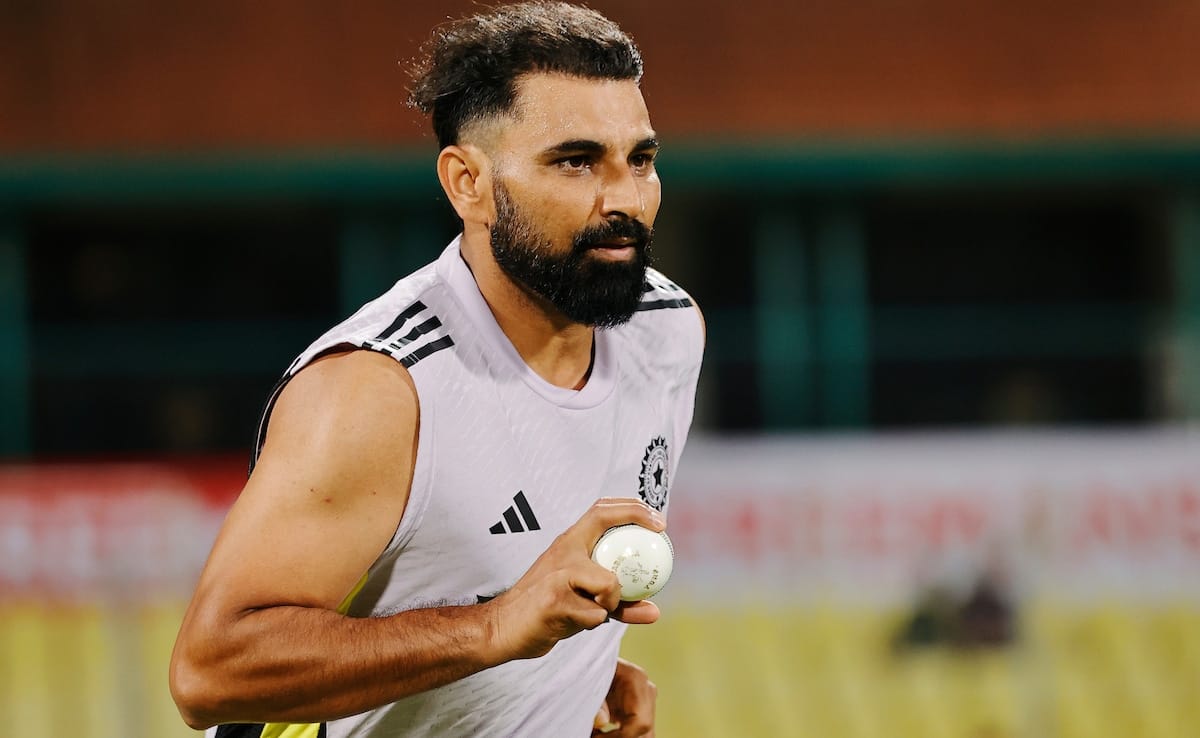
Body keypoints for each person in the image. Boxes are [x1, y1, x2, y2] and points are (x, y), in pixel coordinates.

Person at [169, 3, 705, 737]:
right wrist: (495, 630)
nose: (625, 200)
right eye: (575, 162)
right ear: (467, 182)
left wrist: (565, 679)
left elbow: (488, 583)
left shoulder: (667, 330)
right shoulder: (379, 389)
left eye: (639, 160)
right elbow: (212, 672)